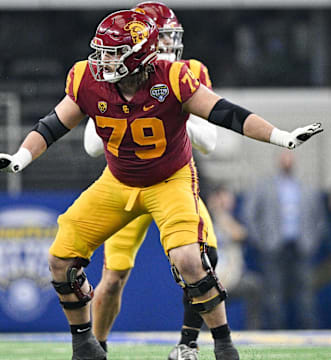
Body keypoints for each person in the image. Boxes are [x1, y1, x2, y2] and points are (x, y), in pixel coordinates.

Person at [0, 9, 323, 360]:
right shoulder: (86, 78)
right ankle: (86, 346)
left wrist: (280, 136)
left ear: (136, 56)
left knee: (191, 260)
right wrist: (21, 157)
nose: (102, 60)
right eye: (102, 51)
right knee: (60, 260)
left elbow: (227, 114)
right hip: (117, 181)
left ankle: (222, 345)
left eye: (112, 52)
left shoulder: (173, 77)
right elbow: (52, 125)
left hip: (169, 180)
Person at [83, 3, 218, 360]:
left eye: (174, 37)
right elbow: (91, 146)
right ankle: (98, 347)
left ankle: (187, 343)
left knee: (205, 258)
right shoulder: (111, 76)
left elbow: (210, 141)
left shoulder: (189, 73)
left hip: (172, 180)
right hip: (126, 185)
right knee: (112, 279)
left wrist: (174, 109)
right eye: (165, 38)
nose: (172, 45)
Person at [245, 150, 326, 329]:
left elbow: (319, 218)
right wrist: (261, 240)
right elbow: (250, 215)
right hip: (273, 245)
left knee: (305, 290)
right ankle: (276, 329)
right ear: (278, 161)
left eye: (290, 157)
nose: (287, 161)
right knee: (273, 289)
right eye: (284, 157)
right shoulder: (264, 187)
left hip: (301, 245)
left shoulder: (306, 188)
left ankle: (309, 329)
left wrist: (312, 241)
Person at [208, 186, 263, 330]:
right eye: (225, 197)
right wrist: (217, 212)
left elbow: (239, 235)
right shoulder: (204, 219)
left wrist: (222, 215)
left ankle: (253, 332)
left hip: (232, 278)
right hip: (211, 280)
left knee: (254, 286)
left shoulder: (231, 220)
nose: (229, 201)